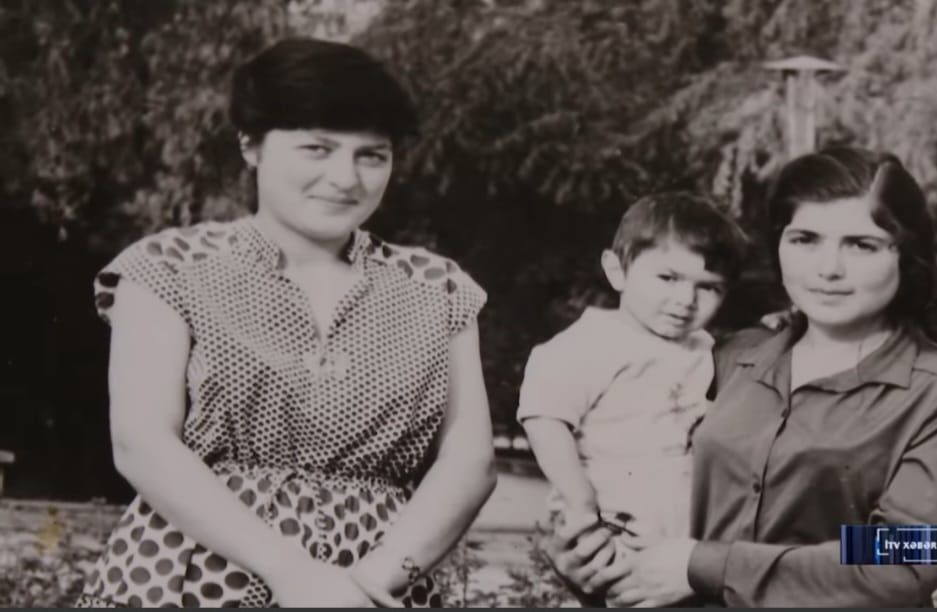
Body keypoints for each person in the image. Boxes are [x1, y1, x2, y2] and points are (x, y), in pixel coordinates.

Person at [76, 37, 496, 608]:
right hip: (195, 577)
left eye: (372, 155)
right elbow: (141, 442)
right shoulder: (169, 268)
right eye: (316, 149)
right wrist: (292, 573)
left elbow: (470, 463)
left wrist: (370, 583)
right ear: (251, 145)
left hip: (376, 584)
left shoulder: (436, 287)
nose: (346, 178)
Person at [546, 146, 937, 607]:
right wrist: (588, 561)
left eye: (862, 245)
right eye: (804, 239)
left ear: (905, 254)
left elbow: (908, 554)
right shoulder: (727, 356)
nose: (828, 268)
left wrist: (708, 567)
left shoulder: (928, 391)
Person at [517, 193, 746, 604]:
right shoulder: (591, 342)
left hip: (686, 538)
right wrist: (580, 502)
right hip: (617, 521)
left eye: (709, 287)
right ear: (616, 270)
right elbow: (545, 418)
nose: (686, 300)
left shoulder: (703, 347)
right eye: (668, 278)